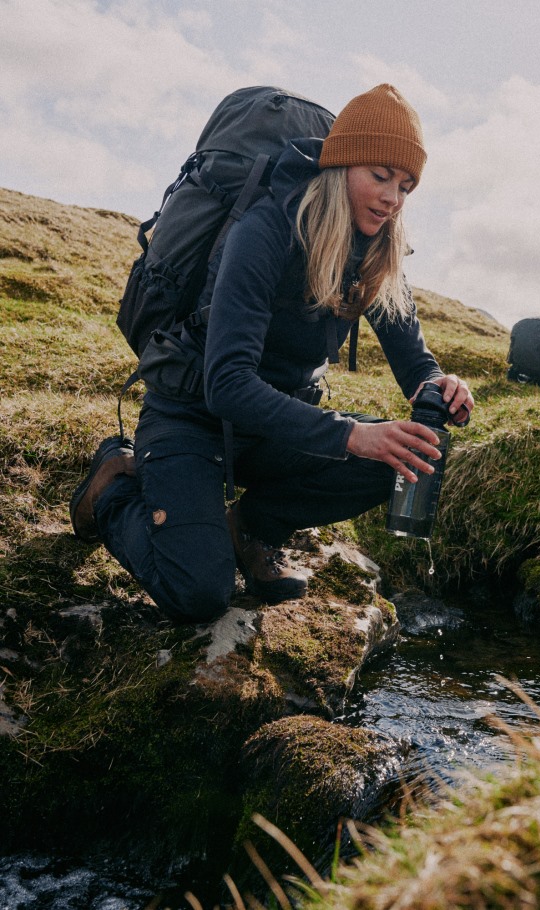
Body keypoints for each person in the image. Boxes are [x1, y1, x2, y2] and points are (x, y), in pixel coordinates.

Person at [69, 84, 474, 624]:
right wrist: (353, 434)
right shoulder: (266, 228)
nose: (392, 198)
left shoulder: (378, 247)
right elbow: (228, 385)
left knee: (409, 457)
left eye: (406, 186)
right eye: (379, 176)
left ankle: (254, 526)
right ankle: (117, 485)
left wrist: (437, 385)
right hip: (192, 417)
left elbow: (414, 361)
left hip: (277, 427)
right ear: (342, 164)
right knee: (200, 593)